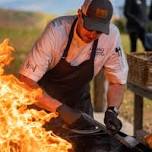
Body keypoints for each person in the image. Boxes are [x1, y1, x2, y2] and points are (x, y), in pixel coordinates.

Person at [18, 0, 128, 151]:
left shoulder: (111, 37)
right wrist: (61, 109)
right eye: (89, 27)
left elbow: (117, 82)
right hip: (42, 103)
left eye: (99, 31)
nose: (92, 34)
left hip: (80, 104)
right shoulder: (56, 31)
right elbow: (26, 81)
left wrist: (112, 111)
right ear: (79, 15)